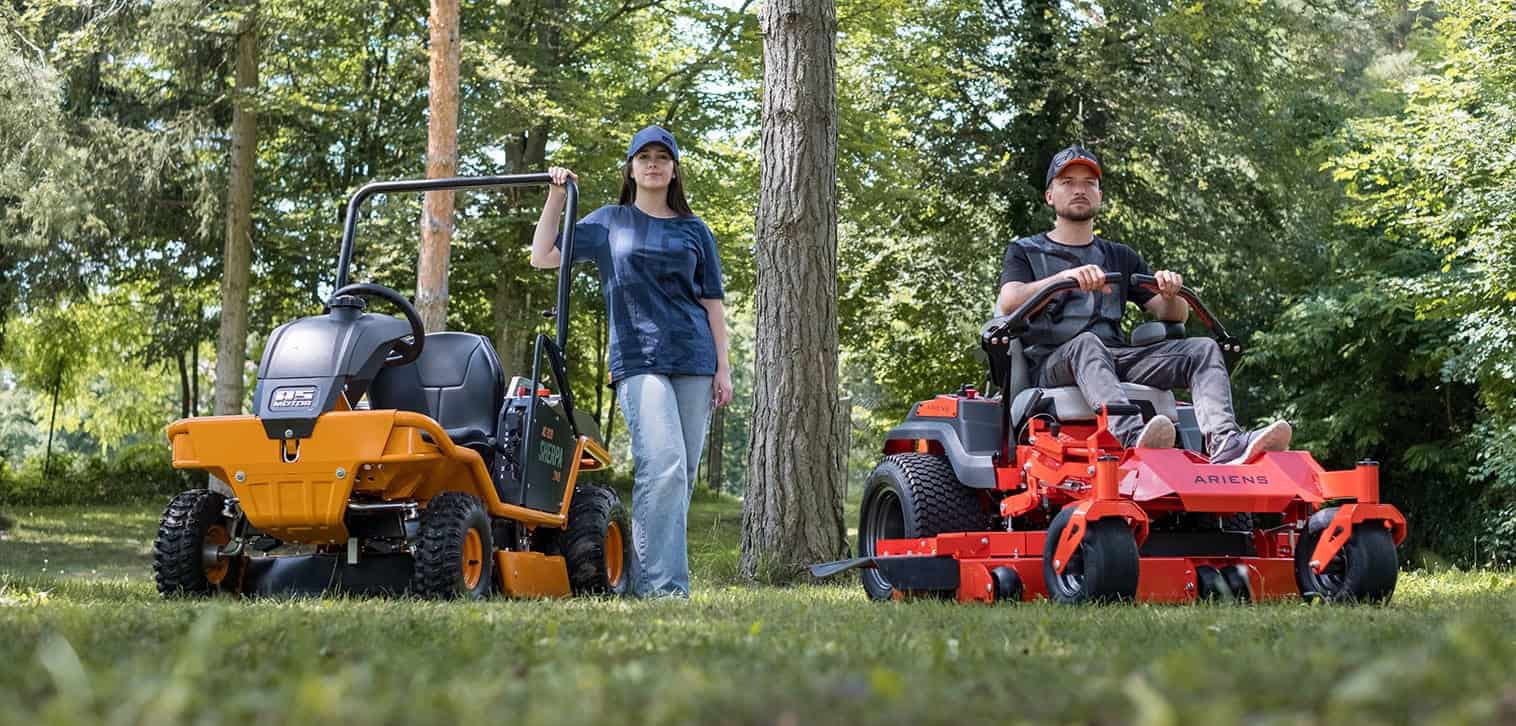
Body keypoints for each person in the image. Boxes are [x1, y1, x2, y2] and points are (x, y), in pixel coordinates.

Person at [530, 125, 731, 598]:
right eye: (645, 157)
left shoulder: (696, 230)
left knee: (679, 478)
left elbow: (712, 304)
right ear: (631, 169)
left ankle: (644, 582)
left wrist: (724, 368)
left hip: (695, 359)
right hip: (639, 360)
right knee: (663, 464)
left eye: (663, 157)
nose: (654, 164)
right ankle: (665, 590)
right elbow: (543, 256)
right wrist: (557, 196)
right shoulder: (609, 223)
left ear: (674, 170)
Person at [994, 145, 1290, 464]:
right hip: (1054, 363)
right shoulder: (1024, 251)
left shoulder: (1120, 256)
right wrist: (1064, 278)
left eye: (1089, 183)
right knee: (1087, 343)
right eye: (1068, 182)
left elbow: (1173, 314)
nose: (1079, 189)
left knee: (1202, 348)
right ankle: (1132, 438)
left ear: (1099, 195)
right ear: (1050, 195)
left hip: (1116, 357)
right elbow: (1009, 302)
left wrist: (1170, 292)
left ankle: (1225, 441)